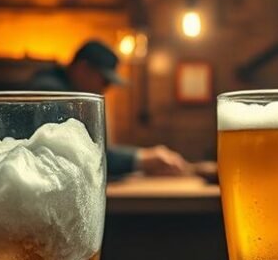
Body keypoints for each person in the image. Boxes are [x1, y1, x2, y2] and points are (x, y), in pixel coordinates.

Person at [27, 39, 189, 178]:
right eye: (105, 81)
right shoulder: (51, 93)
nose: (106, 88)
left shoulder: (61, 91)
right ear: (83, 69)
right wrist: (142, 158)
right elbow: (80, 156)